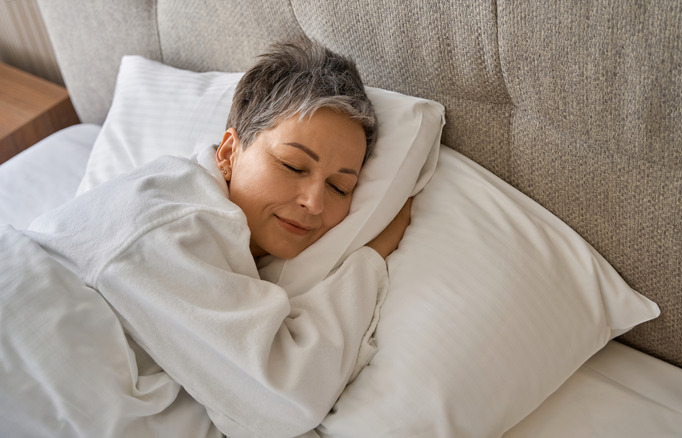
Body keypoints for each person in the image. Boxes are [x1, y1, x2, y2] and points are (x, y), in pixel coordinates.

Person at [25, 38, 411, 437]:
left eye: (339, 188)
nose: (314, 202)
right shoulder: (171, 228)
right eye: (293, 165)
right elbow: (285, 396)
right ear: (229, 152)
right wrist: (371, 256)